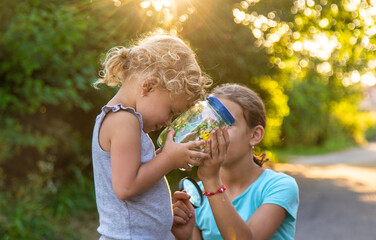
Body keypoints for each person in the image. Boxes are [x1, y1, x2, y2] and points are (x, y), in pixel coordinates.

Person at [91, 31, 212, 240]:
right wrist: (168, 159)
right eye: (172, 111)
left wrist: (162, 155)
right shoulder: (123, 120)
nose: (168, 121)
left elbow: (136, 171)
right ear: (149, 86)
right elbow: (126, 187)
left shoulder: (128, 121)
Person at [172, 83, 299, 240]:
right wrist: (184, 236)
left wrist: (211, 180)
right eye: (209, 123)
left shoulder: (279, 186)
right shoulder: (195, 194)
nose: (212, 132)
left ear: (255, 135)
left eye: (224, 124)